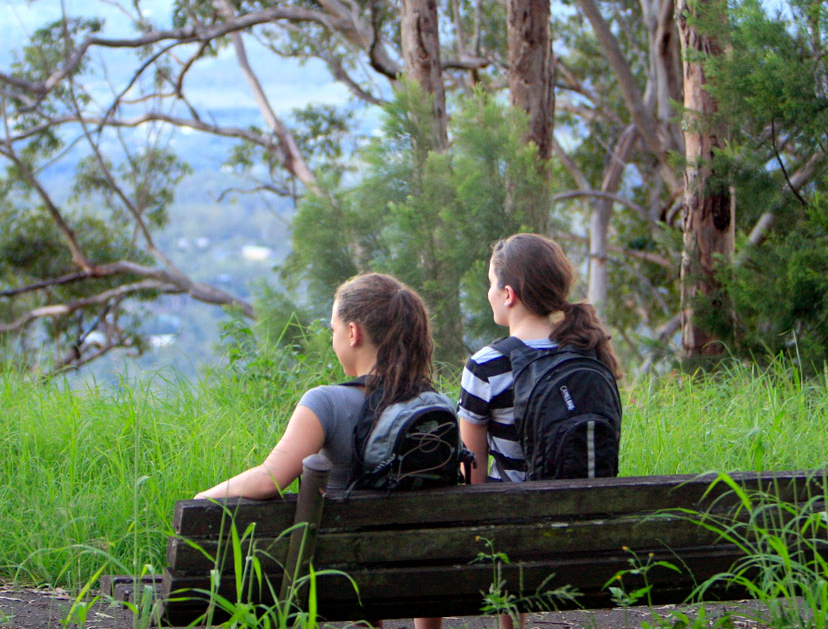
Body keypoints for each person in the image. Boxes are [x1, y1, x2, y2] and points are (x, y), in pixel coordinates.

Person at [196, 271, 442, 629]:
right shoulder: (435, 408)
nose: (334, 338)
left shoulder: (325, 403)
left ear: (353, 333)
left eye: (333, 330)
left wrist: (203, 498)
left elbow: (269, 480)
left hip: (340, 578)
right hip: (422, 574)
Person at [458, 233, 623, 629]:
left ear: (509, 294)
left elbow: (472, 476)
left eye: (491, 283)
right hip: (586, 526)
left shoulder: (486, 365)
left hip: (512, 534)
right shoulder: (590, 350)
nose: (489, 293)